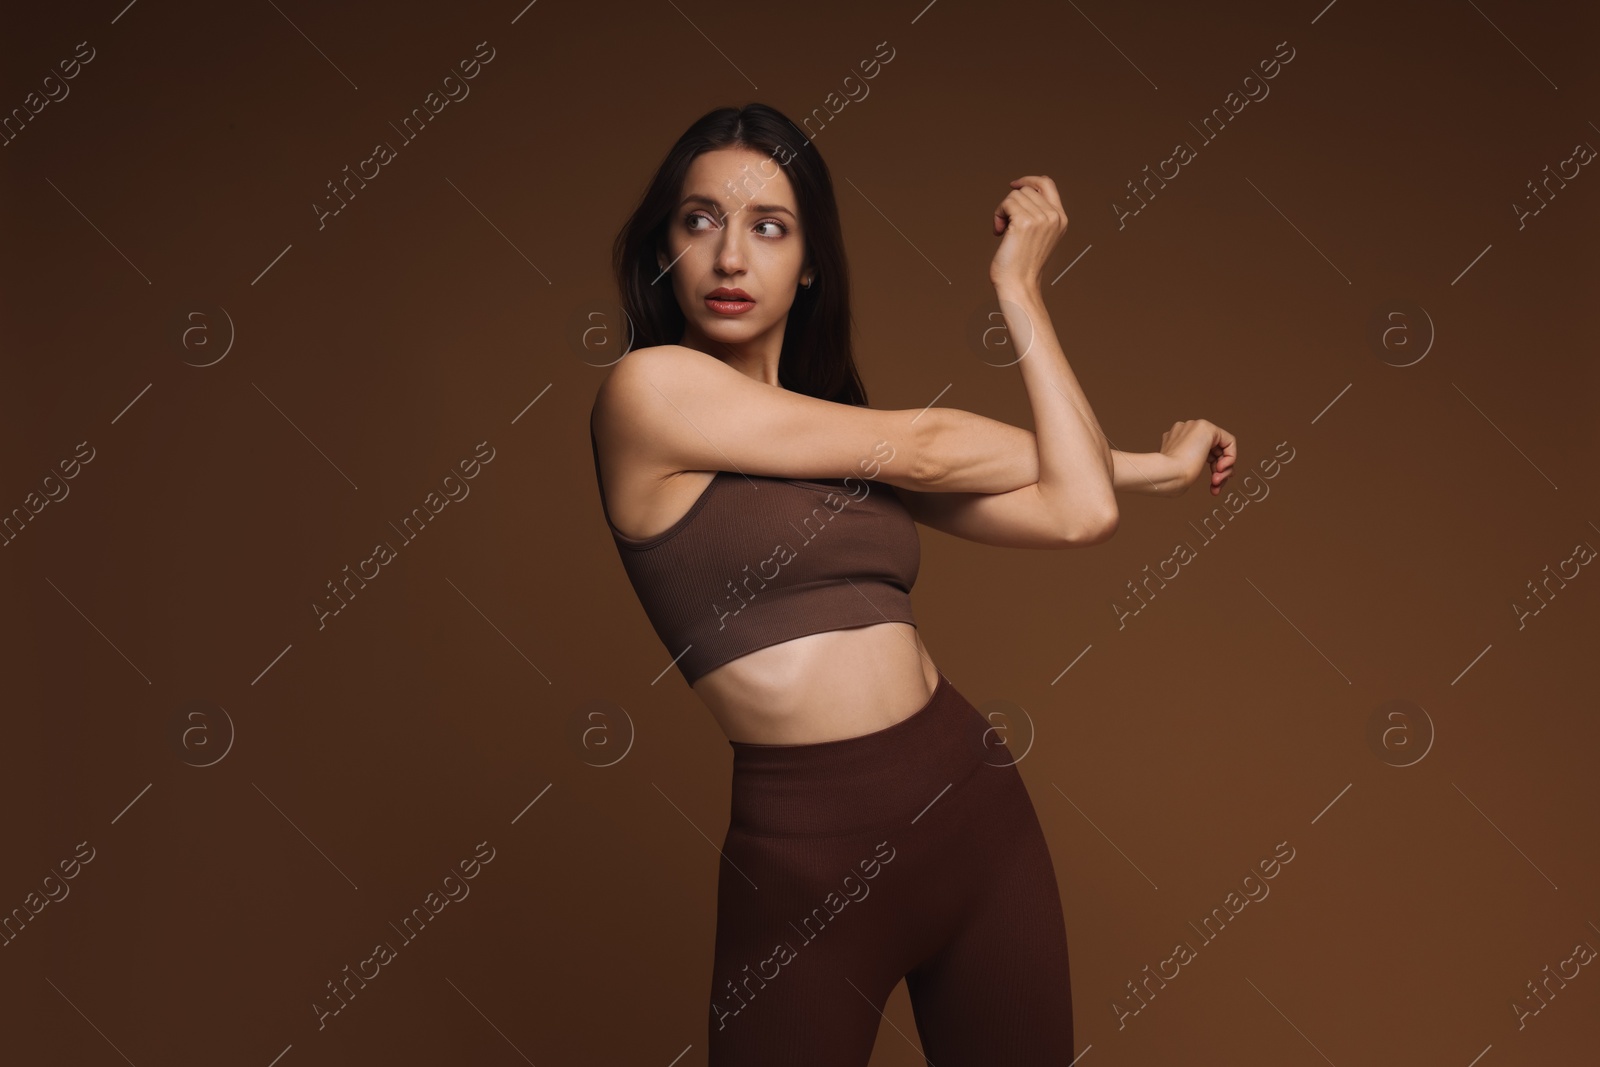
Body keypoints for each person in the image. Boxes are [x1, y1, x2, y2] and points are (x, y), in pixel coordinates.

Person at [590, 102, 1236, 1066]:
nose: (731, 258)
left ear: (808, 262)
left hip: (977, 823)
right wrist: (1149, 462)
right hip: (804, 859)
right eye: (700, 221)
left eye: (768, 227)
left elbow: (1075, 509)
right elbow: (933, 446)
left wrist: (1021, 292)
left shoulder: (841, 436)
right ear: (664, 246)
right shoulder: (647, 394)